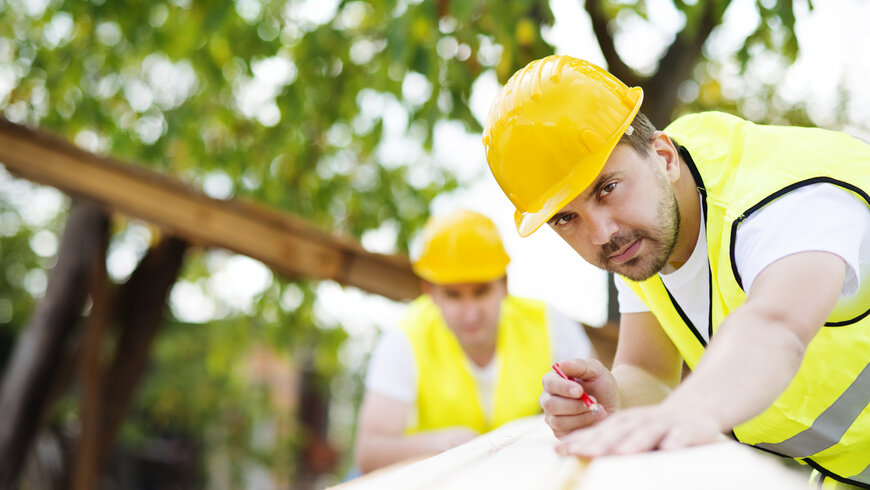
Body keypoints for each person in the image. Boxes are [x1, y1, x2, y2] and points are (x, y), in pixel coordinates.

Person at [482, 54, 870, 488]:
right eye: (566, 218)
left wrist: (688, 412)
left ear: (664, 156)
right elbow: (649, 372)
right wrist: (612, 397)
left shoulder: (783, 197)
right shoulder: (647, 231)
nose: (601, 233)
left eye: (607, 189)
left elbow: (775, 327)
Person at [353, 209, 596, 473]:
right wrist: (436, 443)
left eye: (481, 291)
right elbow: (369, 453)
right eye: (454, 295)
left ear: (504, 284)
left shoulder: (550, 323)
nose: (470, 313)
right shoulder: (404, 338)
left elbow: (598, 407)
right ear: (430, 292)